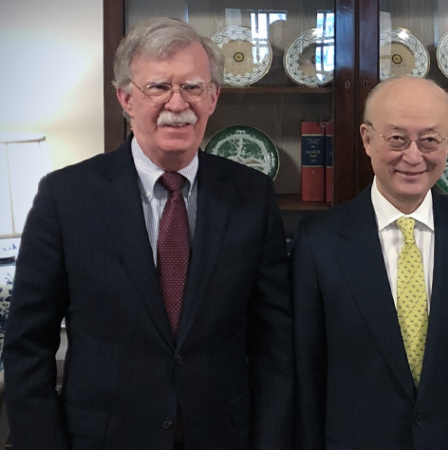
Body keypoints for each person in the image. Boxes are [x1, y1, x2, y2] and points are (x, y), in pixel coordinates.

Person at [4, 17, 293, 450]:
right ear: (125, 98)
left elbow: (275, 345)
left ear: (213, 97)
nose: (178, 104)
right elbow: (28, 346)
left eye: (193, 87)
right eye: (159, 87)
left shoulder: (251, 195)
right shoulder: (65, 197)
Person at [293, 76, 448, 450]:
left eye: (429, 140)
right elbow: (307, 374)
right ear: (367, 139)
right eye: (397, 138)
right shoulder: (319, 241)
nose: (413, 156)